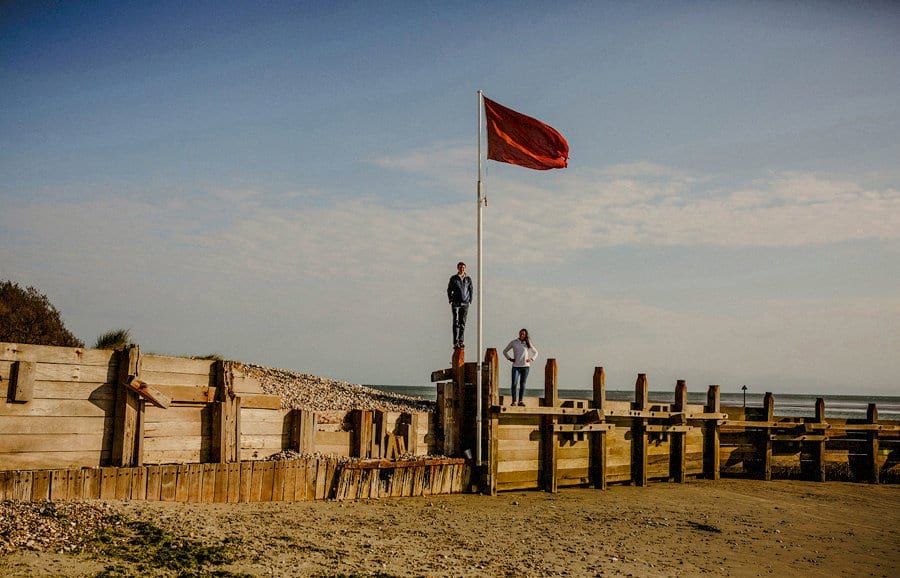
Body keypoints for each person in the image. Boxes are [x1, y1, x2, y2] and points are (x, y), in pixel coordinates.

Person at [503, 328, 538, 406]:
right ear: (519, 334)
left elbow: (536, 352)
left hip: (525, 366)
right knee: (514, 383)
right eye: (521, 333)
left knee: (523, 384)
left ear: (525, 335)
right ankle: (514, 401)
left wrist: (532, 359)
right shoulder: (514, 342)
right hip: (516, 366)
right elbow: (505, 351)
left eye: (523, 334)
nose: (522, 335)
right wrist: (509, 358)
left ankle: (520, 401)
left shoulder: (528, 343)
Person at [447, 261, 473, 349]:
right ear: (458, 268)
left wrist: (470, 299)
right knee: (456, 321)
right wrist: (450, 298)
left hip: (465, 303)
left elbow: (470, 289)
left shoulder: (468, 279)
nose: (462, 269)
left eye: (463, 267)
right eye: (460, 267)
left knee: (462, 322)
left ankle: (461, 341)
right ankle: (455, 342)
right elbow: (449, 289)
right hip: (456, 302)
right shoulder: (454, 278)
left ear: (465, 268)